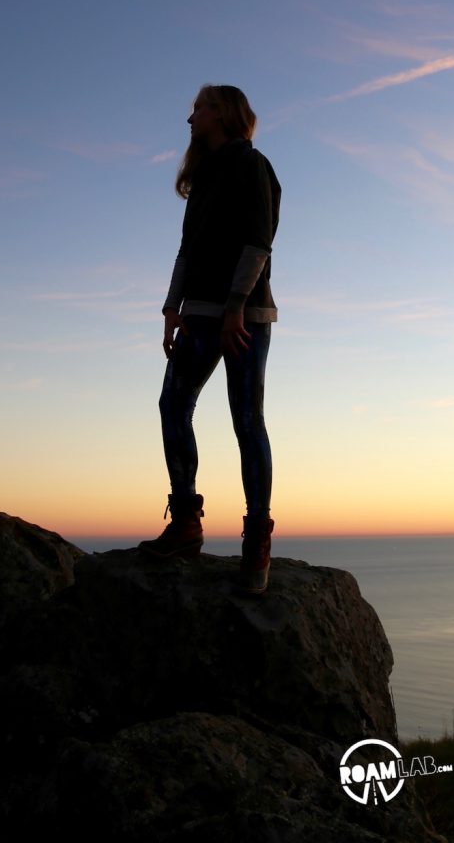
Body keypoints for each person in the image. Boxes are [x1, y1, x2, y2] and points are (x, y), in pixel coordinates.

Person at [139, 85, 281, 595]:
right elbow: (187, 250)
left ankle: (257, 537)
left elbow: (259, 240)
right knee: (172, 404)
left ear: (222, 112)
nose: (189, 117)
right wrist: (171, 308)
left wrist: (236, 305)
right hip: (198, 314)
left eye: (197, 107)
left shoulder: (252, 165)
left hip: (244, 317)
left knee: (246, 418)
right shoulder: (202, 178)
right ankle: (186, 524)